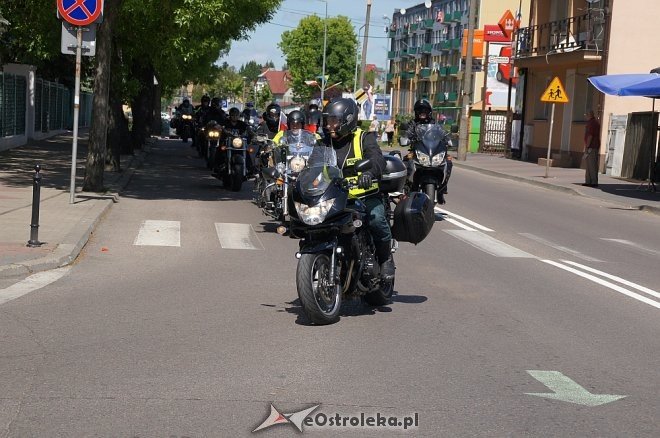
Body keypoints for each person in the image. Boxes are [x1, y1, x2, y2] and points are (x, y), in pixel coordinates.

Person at [319, 97, 394, 281]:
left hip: (365, 196)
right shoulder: (323, 143)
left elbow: (377, 158)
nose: (330, 126)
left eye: (334, 121)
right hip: (334, 198)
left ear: (347, 120)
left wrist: (370, 173)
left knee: (376, 219)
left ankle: (386, 259)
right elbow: (312, 165)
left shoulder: (364, 138)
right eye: (328, 121)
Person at [406, 98, 453, 204]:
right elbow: (407, 133)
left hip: (431, 150)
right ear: (416, 112)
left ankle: (442, 189)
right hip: (417, 150)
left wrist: (447, 139)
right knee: (406, 161)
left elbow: (442, 133)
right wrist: (406, 138)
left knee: (448, 162)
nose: (422, 112)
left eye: (424, 110)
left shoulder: (434, 124)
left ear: (429, 112)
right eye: (419, 110)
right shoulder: (413, 123)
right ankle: (407, 186)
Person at [214, 107, 253, 175]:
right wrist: (218, 127)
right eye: (233, 115)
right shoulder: (226, 122)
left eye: (236, 115)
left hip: (238, 144)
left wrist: (252, 133)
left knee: (246, 151)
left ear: (238, 116)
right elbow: (219, 126)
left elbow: (248, 129)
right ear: (230, 116)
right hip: (227, 142)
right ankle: (218, 166)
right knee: (220, 149)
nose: (234, 117)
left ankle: (250, 168)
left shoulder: (241, 124)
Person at [583, 109, 600, 187]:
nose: (585, 116)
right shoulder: (592, 122)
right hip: (591, 146)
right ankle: (588, 181)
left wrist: (587, 146)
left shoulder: (592, 123)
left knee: (592, 165)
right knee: (589, 165)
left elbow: (590, 135)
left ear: (589, 115)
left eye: (586, 115)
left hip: (592, 147)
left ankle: (593, 181)